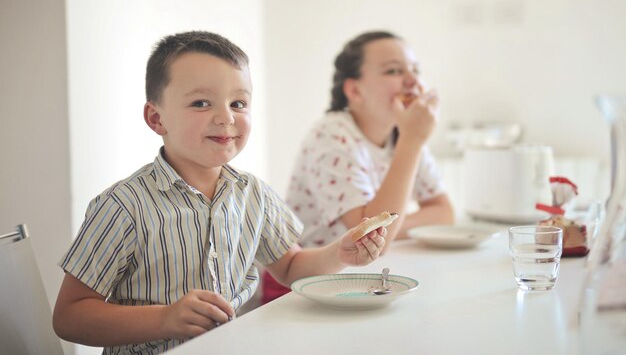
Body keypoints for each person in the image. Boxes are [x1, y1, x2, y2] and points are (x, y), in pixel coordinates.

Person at [52, 31, 387, 355]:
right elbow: (69, 317)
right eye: (201, 103)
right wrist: (164, 319)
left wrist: (340, 254)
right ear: (156, 118)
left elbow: (291, 267)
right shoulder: (123, 207)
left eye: (238, 103)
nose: (226, 117)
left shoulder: (253, 193)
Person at [262, 30, 454, 303]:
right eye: (393, 71)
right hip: (302, 286)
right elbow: (376, 240)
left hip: (360, 279)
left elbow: (444, 212)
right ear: (354, 90)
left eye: (415, 69)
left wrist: (392, 227)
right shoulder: (330, 136)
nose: (412, 80)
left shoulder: (404, 134)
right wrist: (412, 140)